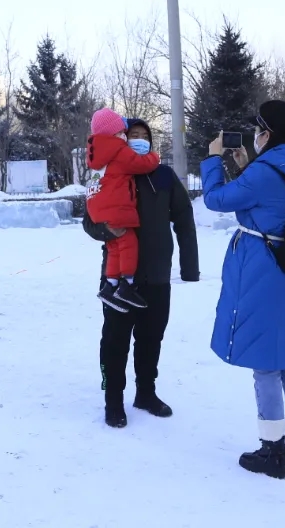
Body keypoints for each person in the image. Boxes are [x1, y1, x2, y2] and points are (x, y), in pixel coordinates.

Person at [200, 100, 285, 480]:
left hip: (264, 268)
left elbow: (216, 199)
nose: (255, 134)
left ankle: (272, 451)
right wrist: (248, 163)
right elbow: (266, 194)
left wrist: (213, 160)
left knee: (266, 364)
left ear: (268, 133)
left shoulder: (265, 171)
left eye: (258, 129)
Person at [83, 118, 200, 428]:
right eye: (132, 135)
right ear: (121, 139)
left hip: (157, 275)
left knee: (151, 339)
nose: (137, 140)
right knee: (115, 340)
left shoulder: (163, 175)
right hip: (119, 278)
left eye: (143, 136)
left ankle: (146, 393)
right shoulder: (108, 171)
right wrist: (104, 230)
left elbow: (185, 219)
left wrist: (190, 268)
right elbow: (88, 220)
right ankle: (113, 402)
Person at [85, 107, 162, 310]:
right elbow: (141, 164)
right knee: (128, 244)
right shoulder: (119, 151)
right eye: (126, 133)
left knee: (114, 248)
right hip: (115, 210)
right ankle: (127, 284)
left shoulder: (98, 155)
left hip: (99, 209)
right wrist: (155, 157)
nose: (126, 138)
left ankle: (110, 285)